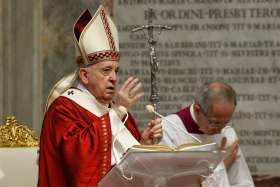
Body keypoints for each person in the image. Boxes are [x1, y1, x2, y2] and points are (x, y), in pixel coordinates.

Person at [38, 5, 162, 187]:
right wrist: (118, 111)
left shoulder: (113, 109)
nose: (114, 78)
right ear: (84, 75)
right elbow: (79, 163)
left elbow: (128, 165)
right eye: (106, 71)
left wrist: (143, 144)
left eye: (116, 70)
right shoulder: (63, 109)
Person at [160, 81, 254, 187]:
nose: (219, 131)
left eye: (225, 123)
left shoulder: (226, 132)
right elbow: (166, 182)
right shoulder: (168, 130)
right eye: (215, 123)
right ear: (197, 109)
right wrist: (221, 166)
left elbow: (242, 182)